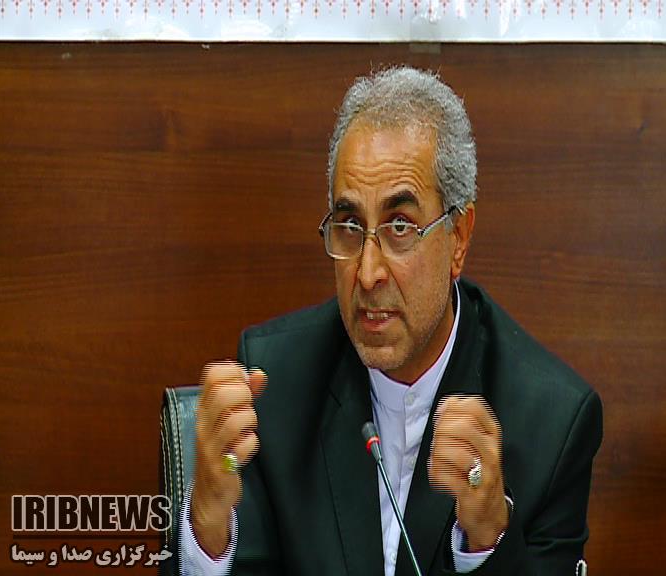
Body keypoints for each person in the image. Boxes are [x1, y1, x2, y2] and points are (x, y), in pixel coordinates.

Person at [174, 66, 603, 576]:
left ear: (459, 238)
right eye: (350, 225)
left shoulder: (552, 423)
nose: (368, 272)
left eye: (400, 226)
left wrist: (488, 536)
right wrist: (209, 521)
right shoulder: (277, 382)